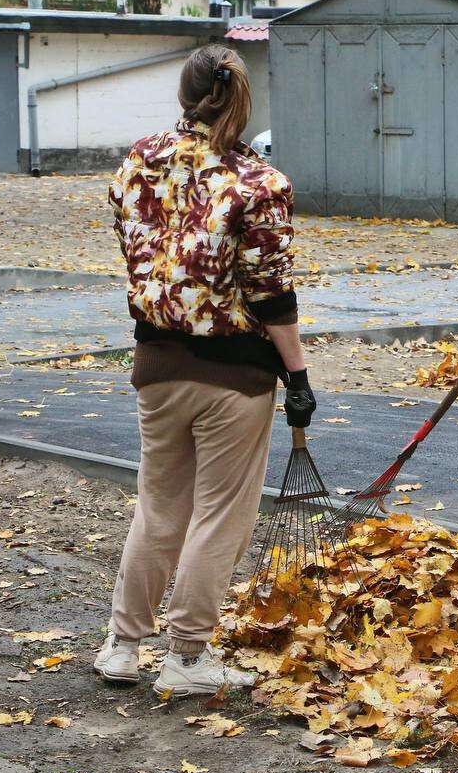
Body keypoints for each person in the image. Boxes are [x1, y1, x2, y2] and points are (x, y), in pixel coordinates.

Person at [94, 44, 317, 693]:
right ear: (244, 101)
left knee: (159, 506)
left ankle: (121, 645)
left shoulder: (138, 163)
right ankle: (186, 657)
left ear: (184, 93)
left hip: (157, 364)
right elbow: (272, 294)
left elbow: (140, 249)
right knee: (219, 513)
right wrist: (297, 378)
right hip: (234, 377)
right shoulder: (259, 185)